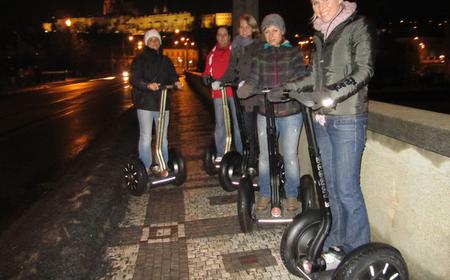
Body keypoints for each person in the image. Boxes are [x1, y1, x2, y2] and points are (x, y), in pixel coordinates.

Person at [285, 0, 377, 269]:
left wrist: (330, 94)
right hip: (323, 121)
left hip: (349, 118)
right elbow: (313, 76)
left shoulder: (359, 26)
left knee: (347, 190)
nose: (320, 5)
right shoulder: (319, 33)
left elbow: (364, 70)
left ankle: (360, 254)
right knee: (332, 189)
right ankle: (337, 241)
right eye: (315, 1)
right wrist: (287, 88)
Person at [238, 13, 306, 211]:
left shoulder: (294, 52)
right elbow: (254, 77)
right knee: (265, 156)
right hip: (265, 112)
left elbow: (300, 77)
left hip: (291, 112)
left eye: (274, 30)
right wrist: (247, 88)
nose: (270, 35)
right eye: (267, 31)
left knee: (290, 155)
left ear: (282, 31)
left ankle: (292, 194)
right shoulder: (260, 54)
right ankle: (265, 194)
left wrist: (286, 89)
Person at [130, 29, 182, 176]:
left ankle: (162, 164)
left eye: (157, 40)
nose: (154, 42)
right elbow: (134, 78)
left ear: (159, 43)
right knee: (146, 137)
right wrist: (147, 85)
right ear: (147, 42)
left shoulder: (165, 60)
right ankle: (145, 167)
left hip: (163, 103)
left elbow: (172, 75)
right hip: (145, 103)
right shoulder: (139, 59)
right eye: (151, 39)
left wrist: (177, 82)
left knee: (162, 137)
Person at [219, 13, 263, 173]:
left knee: (252, 131)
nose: (244, 30)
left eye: (247, 27)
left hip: (255, 96)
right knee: (244, 129)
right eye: (242, 27)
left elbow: (259, 69)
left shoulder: (258, 46)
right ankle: (248, 159)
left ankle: (254, 162)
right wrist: (220, 80)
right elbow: (231, 69)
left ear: (253, 29)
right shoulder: (236, 47)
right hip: (240, 96)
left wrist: (250, 83)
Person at [203, 26, 243, 162]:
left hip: (234, 92)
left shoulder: (235, 51)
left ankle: (240, 152)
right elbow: (207, 72)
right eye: (219, 35)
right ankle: (221, 152)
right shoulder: (211, 54)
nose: (222, 37)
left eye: (225, 35)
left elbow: (240, 69)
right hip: (218, 93)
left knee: (238, 123)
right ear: (216, 37)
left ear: (229, 37)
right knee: (220, 124)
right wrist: (207, 79)